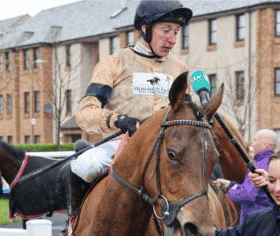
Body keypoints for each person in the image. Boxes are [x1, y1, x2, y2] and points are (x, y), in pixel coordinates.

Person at [71, 0, 192, 213]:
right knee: (85, 166)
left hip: (166, 150)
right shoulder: (113, 63)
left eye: (176, 32)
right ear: (145, 29)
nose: (172, 40)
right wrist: (117, 120)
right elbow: (84, 112)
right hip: (121, 145)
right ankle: (75, 222)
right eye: (166, 31)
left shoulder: (180, 68)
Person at [212, 129, 276, 223]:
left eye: (255, 140)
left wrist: (231, 190)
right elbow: (253, 191)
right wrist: (230, 184)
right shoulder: (273, 163)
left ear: (264, 145)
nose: (252, 144)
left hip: (256, 223)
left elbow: (246, 195)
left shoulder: (259, 166)